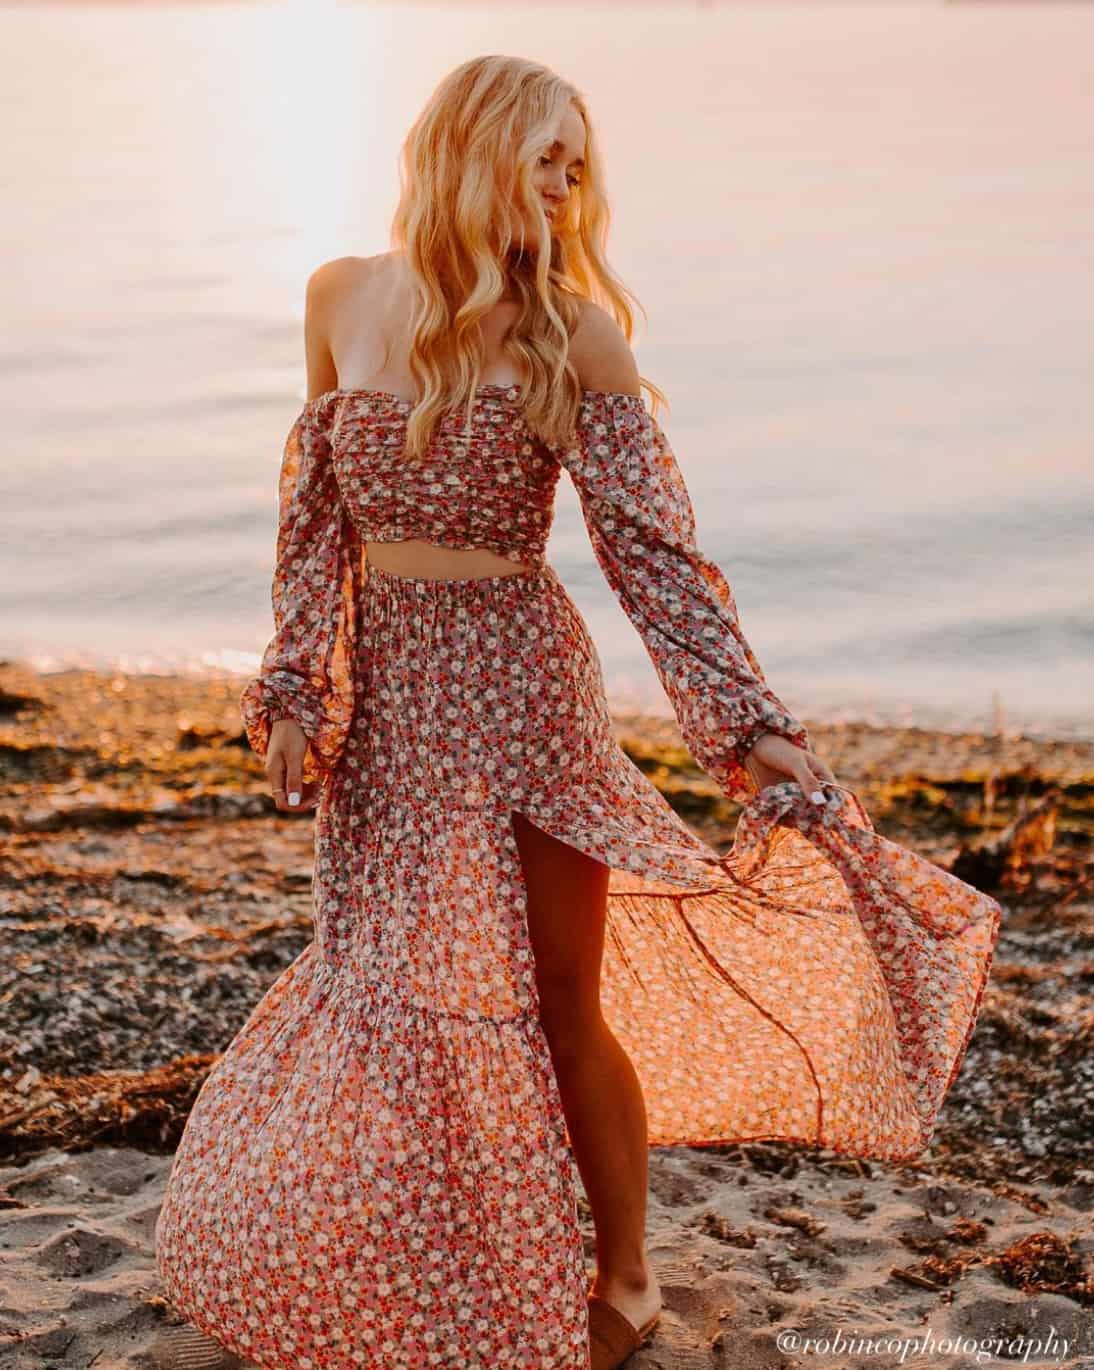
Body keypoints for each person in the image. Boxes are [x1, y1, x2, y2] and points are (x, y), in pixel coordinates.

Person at [153, 54, 1002, 1370]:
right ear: (471, 148)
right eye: (544, 158)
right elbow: (313, 523)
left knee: (558, 994)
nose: (563, 188)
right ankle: (433, 1241)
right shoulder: (339, 299)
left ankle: (626, 1270)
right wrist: (288, 688)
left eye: (575, 169)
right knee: (376, 984)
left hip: (520, 690)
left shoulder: (571, 335)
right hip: (388, 700)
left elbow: (651, 552)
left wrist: (743, 722)